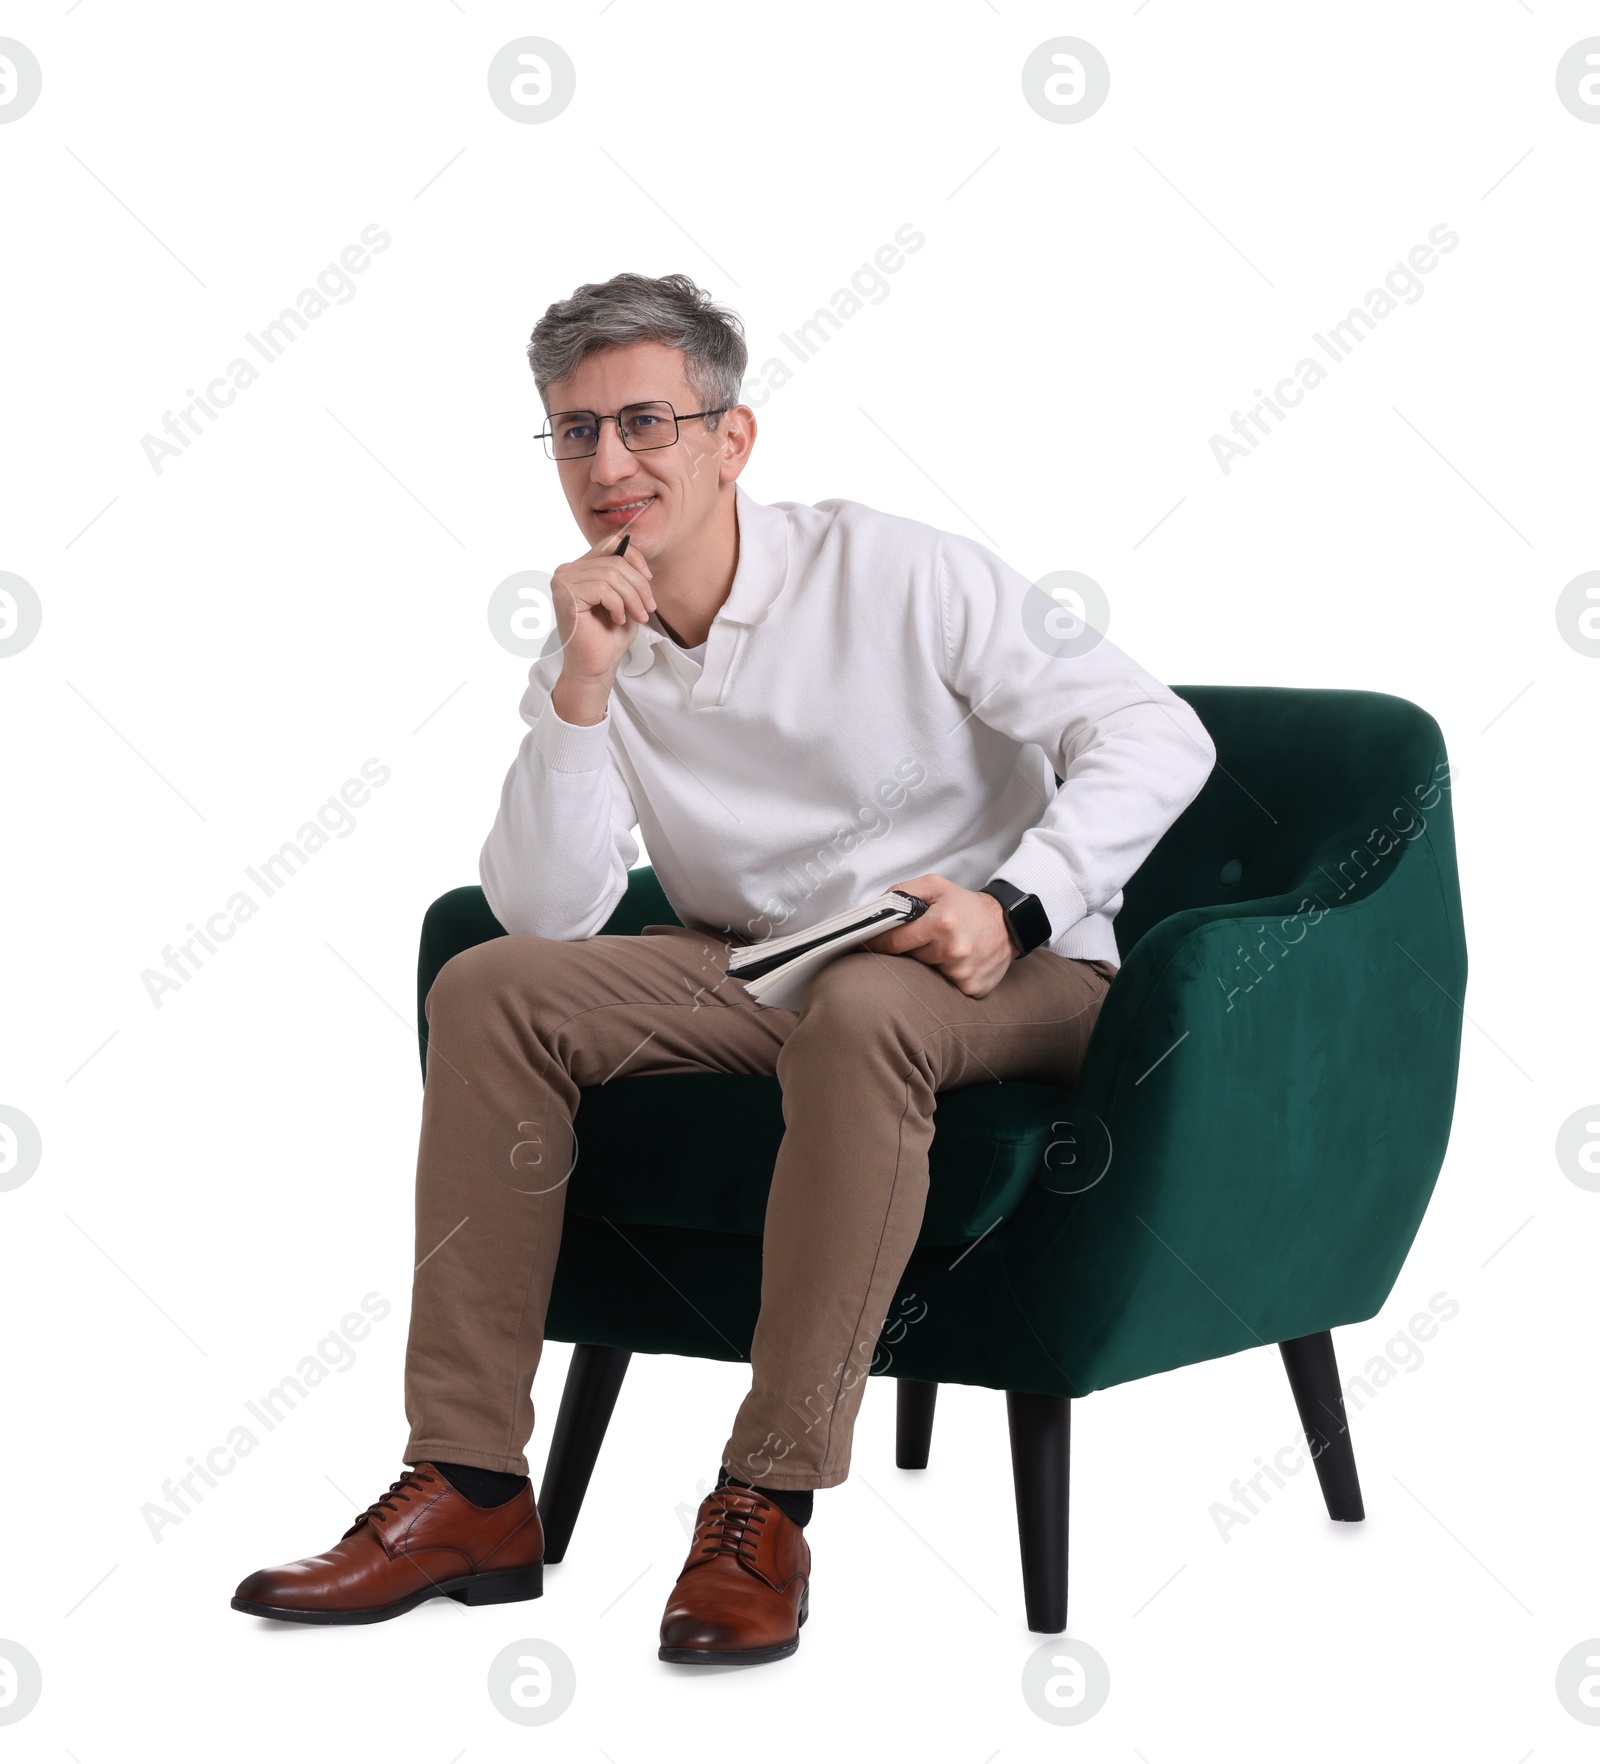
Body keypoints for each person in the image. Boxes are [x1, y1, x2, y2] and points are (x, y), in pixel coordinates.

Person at [232, 271, 1216, 1663]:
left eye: (646, 424)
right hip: (759, 972)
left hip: (1004, 973)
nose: (609, 464)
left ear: (730, 440)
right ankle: (468, 1488)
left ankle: (764, 1499)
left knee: (872, 1007)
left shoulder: (897, 570)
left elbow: (1156, 731)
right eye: (574, 433)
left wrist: (1019, 901)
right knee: (488, 989)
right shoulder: (595, 632)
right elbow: (549, 914)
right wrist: (580, 691)